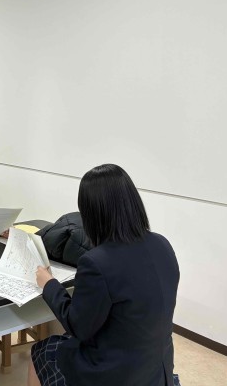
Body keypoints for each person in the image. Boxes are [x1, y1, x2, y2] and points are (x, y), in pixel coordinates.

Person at [29, 164, 180, 386]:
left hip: (114, 374)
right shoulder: (162, 244)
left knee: (39, 351)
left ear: (91, 213)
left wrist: (49, 284)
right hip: (158, 370)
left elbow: (78, 327)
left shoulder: (97, 262)